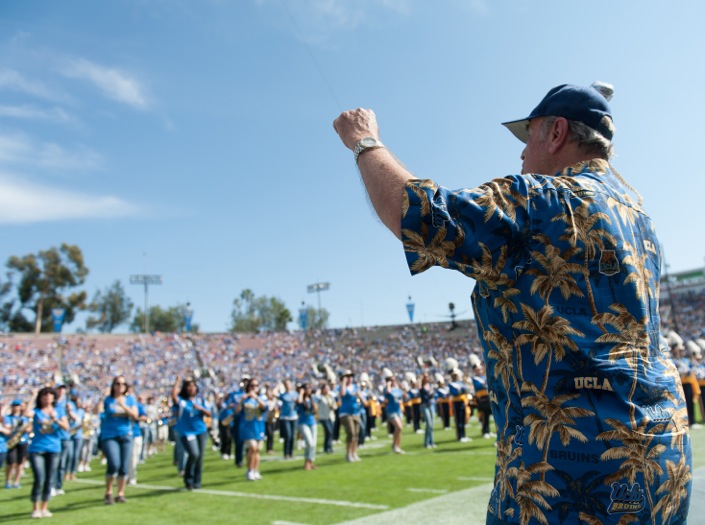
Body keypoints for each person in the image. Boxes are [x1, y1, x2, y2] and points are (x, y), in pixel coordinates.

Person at [333, 83, 692, 524]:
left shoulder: (543, 197)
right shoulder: (641, 220)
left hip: (573, 463)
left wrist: (364, 141)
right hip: (663, 453)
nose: (522, 155)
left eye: (529, 138)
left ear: (557, 132)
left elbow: (419, 214)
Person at [28, 387, 69, 519]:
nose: (47, 398)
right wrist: (33, 396)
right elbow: (26, 413)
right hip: (37, 449)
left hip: (54, 448)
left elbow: (66, 427)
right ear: (40, 398)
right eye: (44, 395)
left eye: (50, 395)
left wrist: (56, 419)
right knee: (40, 478)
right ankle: (35, 508)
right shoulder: (37, 411)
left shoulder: (59, 410)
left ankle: (44, 507)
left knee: (49, 479)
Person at [100, 376, 138, 505]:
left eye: (123, 383)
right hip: (109, 435)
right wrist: (102, 399)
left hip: (125, 434)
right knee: (114, 464)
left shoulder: (130, 399)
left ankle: (120, 493)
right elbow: (97, 410)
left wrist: (123, 406)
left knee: (123, 467)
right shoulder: (108, 400)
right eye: (117, 383)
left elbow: (135, 415)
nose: (120, 386)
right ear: (113, 385)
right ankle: (109, 491)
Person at [171, 376, 212, 490]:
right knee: (194, 454)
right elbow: (173, 396)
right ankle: (188, 478)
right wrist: (177, 381)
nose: (192, 388)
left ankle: (197, 482)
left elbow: (209, 413)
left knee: (200, 458)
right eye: (189, 386)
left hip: (201, 431)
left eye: (193, 386)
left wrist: (200, 409)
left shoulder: (201, 400)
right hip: (187, 432)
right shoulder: (182, 401)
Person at [237, 377, 266, 481]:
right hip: (247, 428)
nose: (254, 388)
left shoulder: (262, 397)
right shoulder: (243, 398)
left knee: (257, 450)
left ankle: (255, 470)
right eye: (252, 386)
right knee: (252, 448)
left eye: (256, 386)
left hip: (259, 427)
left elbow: (264, 407)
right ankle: (249, 469)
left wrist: (256, 398)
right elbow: (236, 412)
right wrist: (242, 400)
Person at [4, 399, 30, 489]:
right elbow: (7, 427)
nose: (16, 407)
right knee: (11, 462)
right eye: (14, 405)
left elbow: (29, 428)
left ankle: (16, 481)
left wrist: (26, 428)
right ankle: (8, 481)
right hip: (12, 441)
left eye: (18, 405)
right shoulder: (8, 417)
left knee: (20, 462)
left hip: (23, 441)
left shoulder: (24, 417)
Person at [337, 370, 362, 462]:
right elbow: (343, 394)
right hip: (345, 413)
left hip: (355, 412)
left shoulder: (355, 387)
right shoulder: (342, 387)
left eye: (351, 376)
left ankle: (354, 452)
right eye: (347, 376)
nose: (350, 378)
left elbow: (360, 397)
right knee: (351, 433)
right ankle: (348, 453)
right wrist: (343, 382)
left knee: (356, 434)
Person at [382, 372, 406, 454]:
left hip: (398, 410)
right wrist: (388, 384)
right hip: (391, 411)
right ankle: (396, 446)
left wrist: (402, 388)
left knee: (399, 429)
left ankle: (396, 445)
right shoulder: (386, 389)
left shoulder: (396, 389)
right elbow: (388, 392)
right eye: (392, 380)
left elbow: (404, 395)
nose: (394, 381)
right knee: (398, 427)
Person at [296, 383, 318, 470]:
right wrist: (301, 393)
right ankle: (307, 462)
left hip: (312, 422)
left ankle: (310, 462)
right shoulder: (300, 398)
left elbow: (315, 409)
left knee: (313, 444)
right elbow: (299, 402)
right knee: (309, 442)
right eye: (307, 388)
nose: (309, 390)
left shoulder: (313, 398)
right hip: (303, 422)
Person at [278, 379, 299, 460]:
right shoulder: (283, 395)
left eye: (288, 384)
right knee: (288, 435)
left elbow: (299, 402)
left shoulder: (295, 394)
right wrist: (278, 385)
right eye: (286, 384)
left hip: (293, 416)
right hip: (285, 417)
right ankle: (286, 453)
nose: (287, 386)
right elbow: (273, 393)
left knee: (293, 436)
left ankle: (291, 453)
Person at [315, 382, 337, 454]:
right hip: (323, 417)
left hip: (331, 417)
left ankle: (328, 447)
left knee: (330, 433)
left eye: (328, 389)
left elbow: (335, 406)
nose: (327, 390)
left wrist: (333, 407)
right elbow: (315, 398)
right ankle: (327, 447)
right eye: (325, 389)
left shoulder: (330, 396)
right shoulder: (320, 397)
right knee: (329, 431)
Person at [419, 373, 436, 448]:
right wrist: (420, 378)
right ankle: (426, 443)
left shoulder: (431, 386)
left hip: (431, 405)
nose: (427, 378)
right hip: (424, 406)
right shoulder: (421, 386)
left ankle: (431, 442)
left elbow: (432, 396)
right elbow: (418, 386)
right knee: (428, 424)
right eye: (425, 377)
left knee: (431, 424)